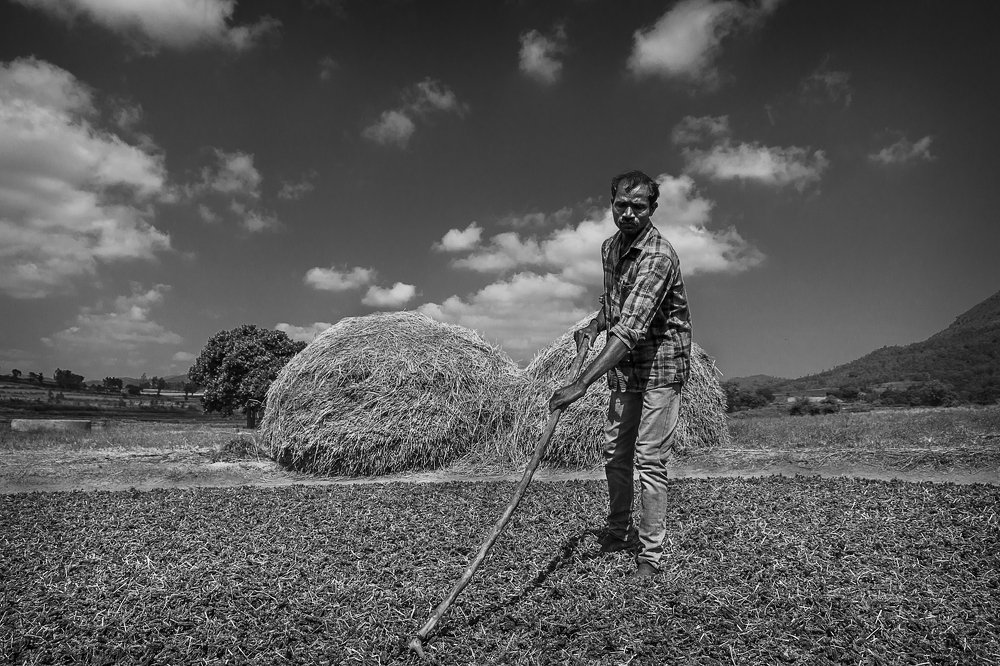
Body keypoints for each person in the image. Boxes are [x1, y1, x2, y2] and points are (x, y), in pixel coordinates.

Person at [549, 169, 692, 579]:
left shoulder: (659, 256)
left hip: (660, 364)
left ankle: (649, 555)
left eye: (639, 207)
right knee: (615, 454)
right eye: (622, 205)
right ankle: (617, 530)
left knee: (649, 460)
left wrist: (580, 384)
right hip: (626, 369)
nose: (629, 214)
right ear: (611, 203)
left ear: (652, 208)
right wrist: (595, 326)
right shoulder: (610, 248)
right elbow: (615, 307)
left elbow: (630, 328)